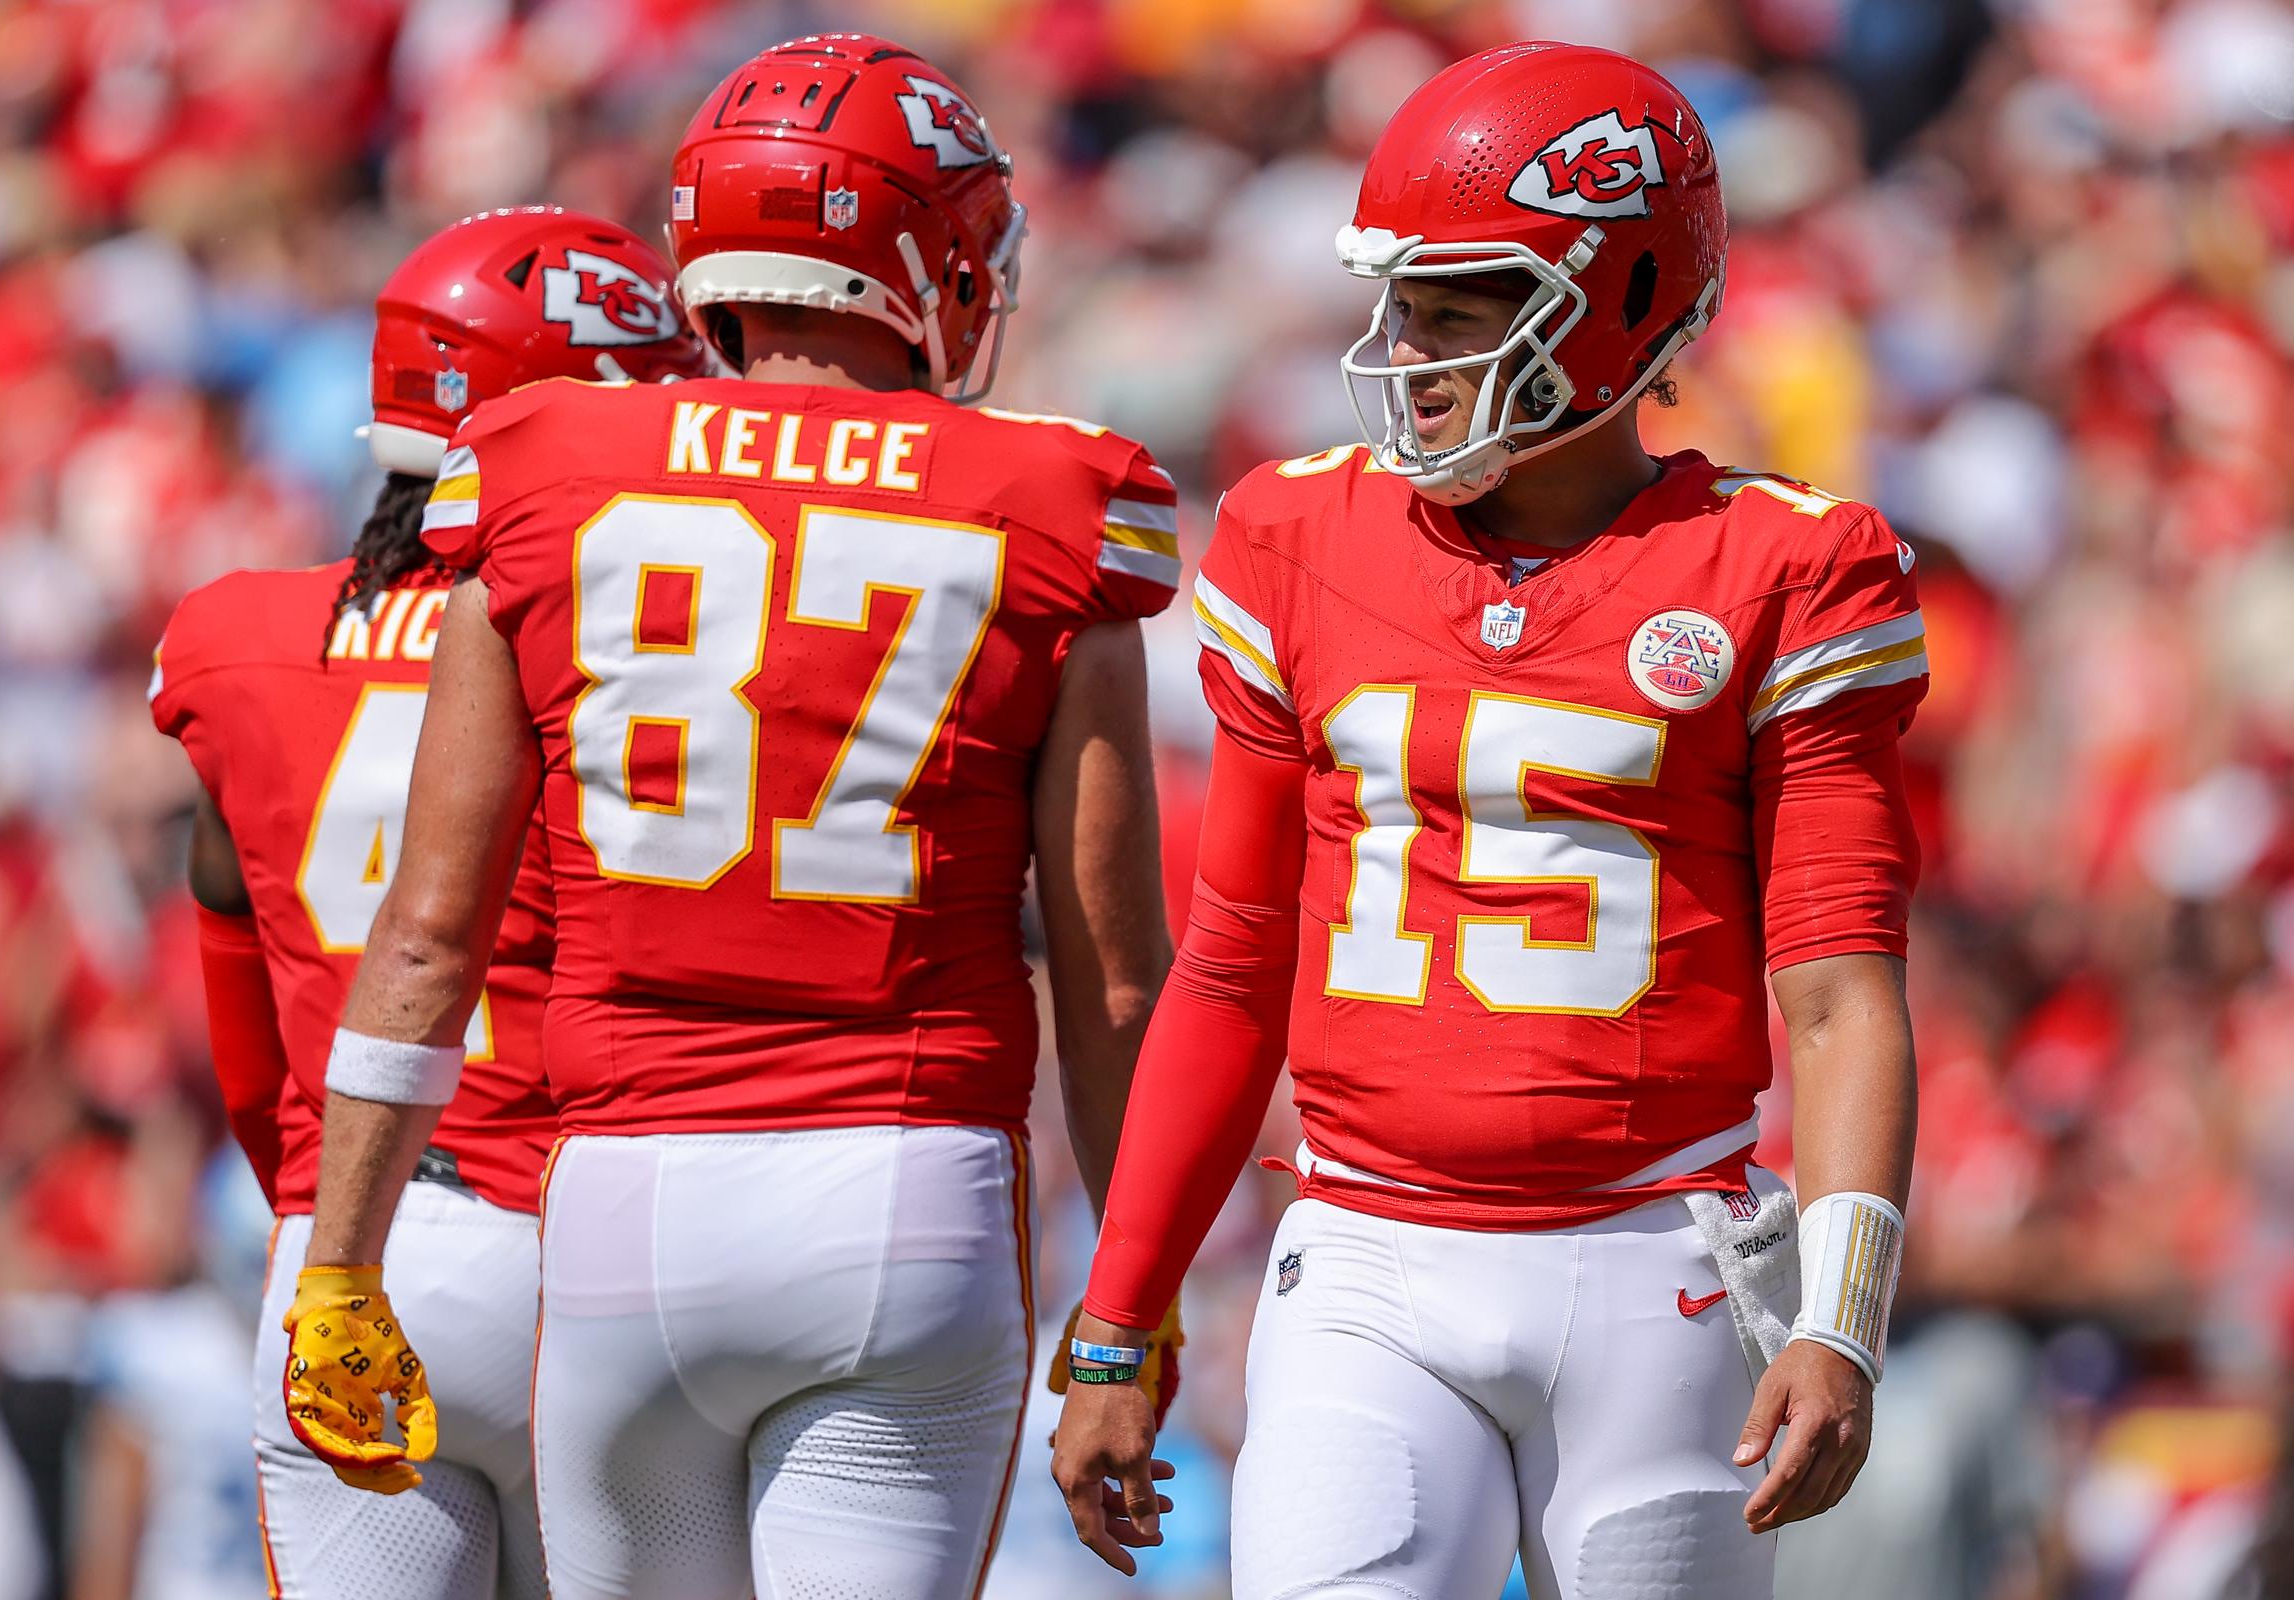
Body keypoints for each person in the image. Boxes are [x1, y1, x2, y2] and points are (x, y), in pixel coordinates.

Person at [284, 34, 1180, 1600]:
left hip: (629, 1198)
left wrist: (342, 1261)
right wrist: (1134, 1306)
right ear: (919, 257)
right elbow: (1112, 976)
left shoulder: (540, 460)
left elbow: (431, 935)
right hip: (901, 1190)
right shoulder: (1055, 499)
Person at [1051, 41, 1928, 1599]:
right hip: (1367, 1255)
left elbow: (1840, 991)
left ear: (1620, 303)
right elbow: (1236, 962)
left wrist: (1841, 1317)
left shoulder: (1786, 566)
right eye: (1399, 302)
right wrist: (1123, 1314)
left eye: (1458, 306)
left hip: (1655, 1255)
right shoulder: (1293, 533)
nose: (1407, 350)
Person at [153, 205, 704, 1599]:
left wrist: (313, 1217)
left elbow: (246, 1045)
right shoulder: (634, 644)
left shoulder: (227, 640)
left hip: (354, 1239)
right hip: (590, 1244)